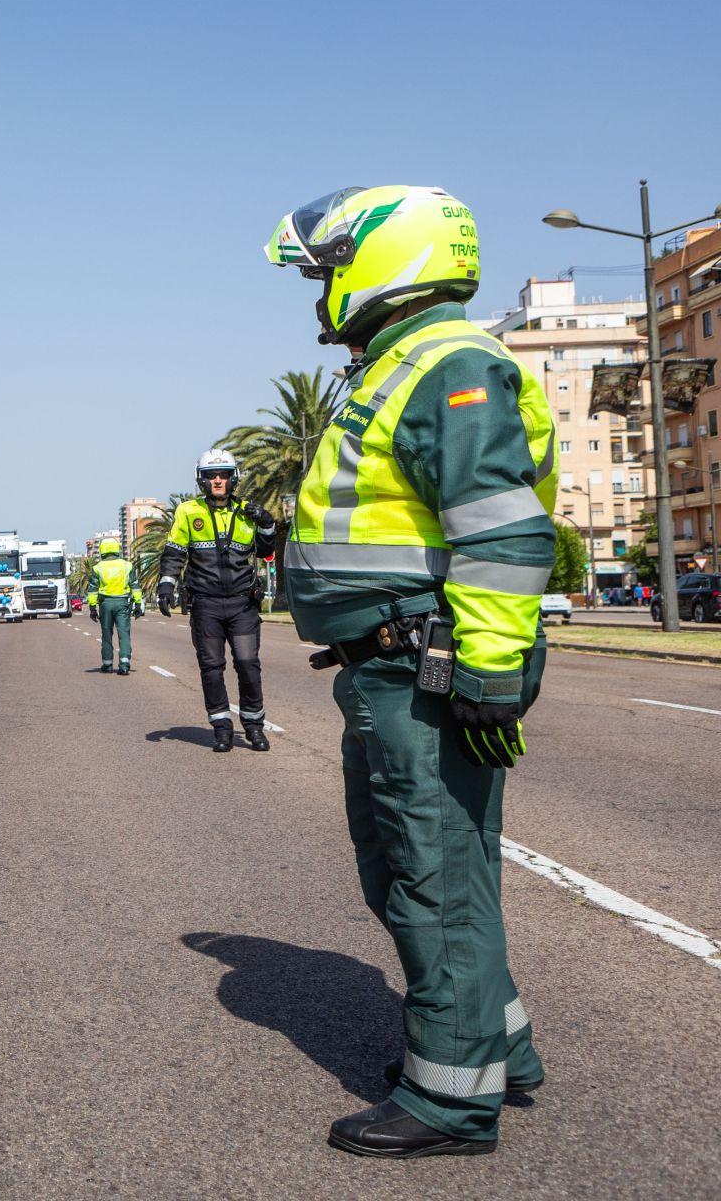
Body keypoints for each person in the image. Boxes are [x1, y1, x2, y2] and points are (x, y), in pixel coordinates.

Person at [266, 185, 555, 1158]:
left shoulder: (448, 364)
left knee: (427, 871)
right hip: (401, 659)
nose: (322, 290)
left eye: (330, 268)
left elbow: (504, 530)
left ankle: (450, 1097)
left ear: (384, 261)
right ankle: (496, 1047)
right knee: (432, 867)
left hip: (421, 662)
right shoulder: (404, 364)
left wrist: (486, 665)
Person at [155, 449, 276, 752]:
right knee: (211, 667)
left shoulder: (248, 511)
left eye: (223, 475)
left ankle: (254, 727)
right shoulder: (187, 512)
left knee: (248, 663)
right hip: (206, 604)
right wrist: (166, 586)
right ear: (202, 480)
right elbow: (173, 554)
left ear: (233, 478)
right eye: (211, 476)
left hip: (242, 603)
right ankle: (222, 727)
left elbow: (265, 551)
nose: (218, 480)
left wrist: (267, 523)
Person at [86, 537, 142, 674]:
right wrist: (138, 604)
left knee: (106, 634)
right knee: (123, 633)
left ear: (102, 551)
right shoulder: (127, 566)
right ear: (117, 549)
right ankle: (124, 663)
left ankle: (107, 664)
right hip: (123, 603)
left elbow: (93, 589)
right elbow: (135, 586)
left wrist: (92, 608)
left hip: (105, 604)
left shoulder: (97, 568)